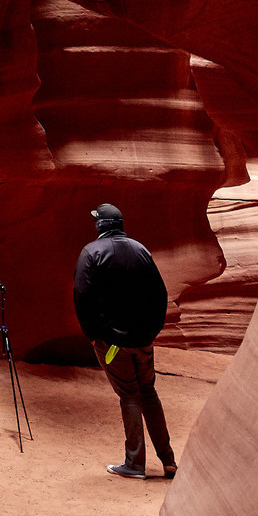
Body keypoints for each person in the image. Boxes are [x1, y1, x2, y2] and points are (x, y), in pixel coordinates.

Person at [73, 202, 177, 481]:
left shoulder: (91, 252)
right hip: (143, 340)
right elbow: (160, 294)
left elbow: (82, 296)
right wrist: (151, 331)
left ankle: (134, 464)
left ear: (101, 225)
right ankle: (168, 461)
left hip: (113, 344)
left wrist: (93, 334)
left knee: (129, 395)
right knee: (149, 394)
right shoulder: (140, 249)